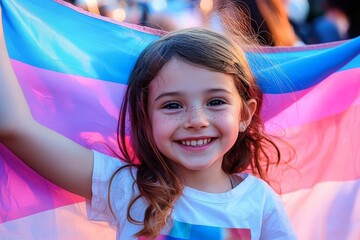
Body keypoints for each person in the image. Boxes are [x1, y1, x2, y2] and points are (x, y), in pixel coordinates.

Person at [0, 5, 296, 240]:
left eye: (216, 101)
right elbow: (14, 127)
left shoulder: (259, 203)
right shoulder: (127, 188)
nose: (196, 120)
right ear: (145, 117)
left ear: (245, 114)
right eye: (172, 105)